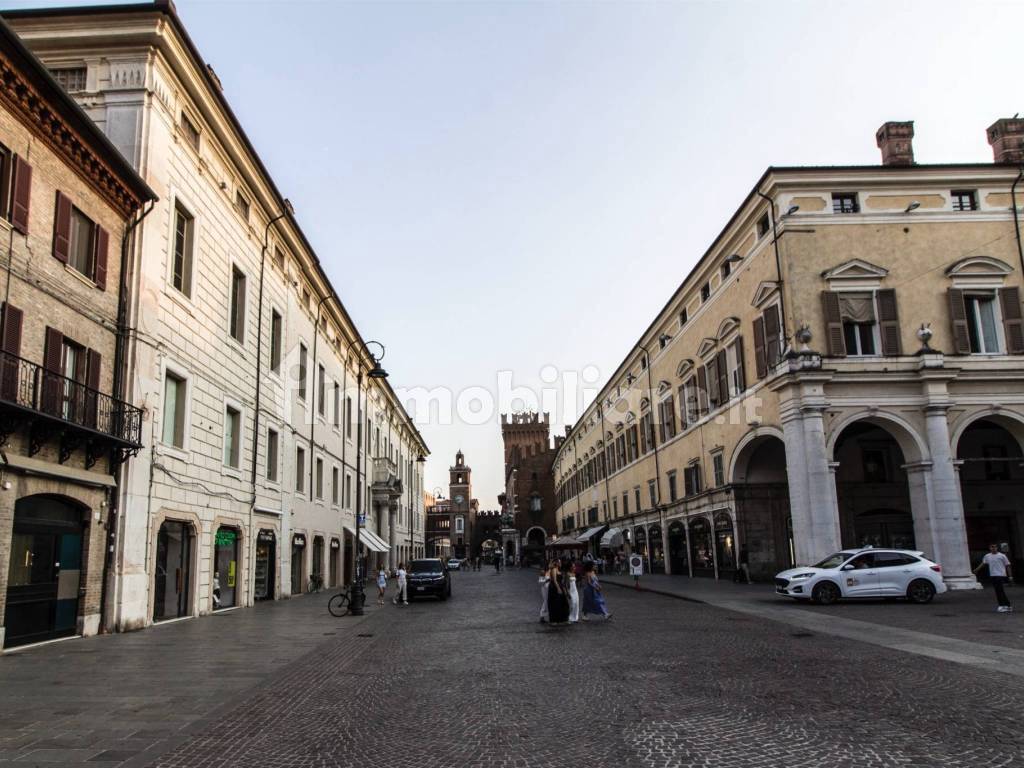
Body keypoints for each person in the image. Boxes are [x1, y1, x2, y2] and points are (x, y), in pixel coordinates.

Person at [974, 543, 1013, 613]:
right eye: (992, 547)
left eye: (995, 547)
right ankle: (1006, 605)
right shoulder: (987, 556)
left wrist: (1010, 576)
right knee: (998, 591)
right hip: (993, 575)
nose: (993, 548)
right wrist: (977, 569)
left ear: (997, 548)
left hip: (1001, 575)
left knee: (1000, 590)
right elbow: (983, 563)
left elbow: (1008, 565)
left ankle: (1003, 605)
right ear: (990, 548)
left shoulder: (1002, 556)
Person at [546, 560, 570, 625]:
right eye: (559, 562)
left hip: (560, 586)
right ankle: (554, 620)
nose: (560, 563)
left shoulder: (559, 570)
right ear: (556, 563)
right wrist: (558, 588)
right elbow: (555, 580)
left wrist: (564, 589)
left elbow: (561, 580)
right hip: (554, 587)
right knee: (555, 603)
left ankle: (562, 619)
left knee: (563, 603)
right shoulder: (554, 569)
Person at [565, 557, 580, 624]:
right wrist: (568, 593)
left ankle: (575, 618)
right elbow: (566, 584)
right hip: (570, 590)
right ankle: (569, 618)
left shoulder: (574, 574)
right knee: (572, 604)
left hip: (575, 591)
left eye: (574, 567)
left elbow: (575, 583)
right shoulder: (567, 574)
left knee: (577, 604)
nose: (574, 568)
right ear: (570, 567)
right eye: (573, 567)